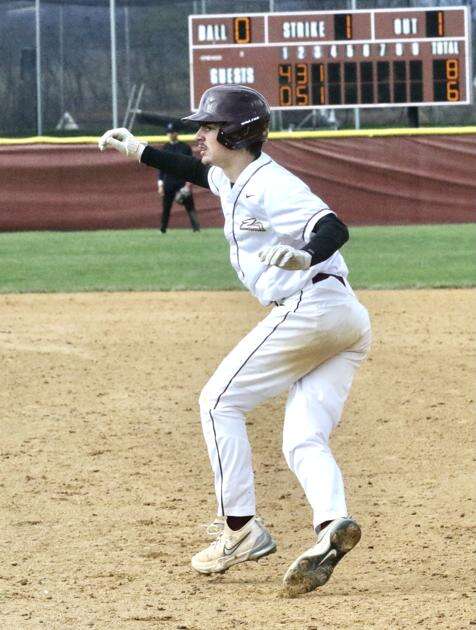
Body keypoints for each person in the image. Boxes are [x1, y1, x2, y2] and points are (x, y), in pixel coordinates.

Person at [98, 85, 371, 597]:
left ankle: (240, 530)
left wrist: (307, 255)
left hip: (311, 306)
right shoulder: (232, 177)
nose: (199, 134)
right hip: (343, 318)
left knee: (217, 402)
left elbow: (332, 226)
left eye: (208, 126)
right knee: (303, 438)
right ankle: (331, 525)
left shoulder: (273, 184)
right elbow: (196, 171)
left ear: (237, 133)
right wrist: (139, 150)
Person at [157, 121, 200, 233]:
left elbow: (191, 165)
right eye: (169, 132)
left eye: (172, 132)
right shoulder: (165, 147)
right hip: (169, 181)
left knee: (189, 205)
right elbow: (161, 167)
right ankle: (163, 229)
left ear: (177, 133)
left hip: (182, 180)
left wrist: (188, 183)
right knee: (166, 206)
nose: (170, 134)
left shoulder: (185, 147)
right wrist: (160, 184)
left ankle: (196, 228)